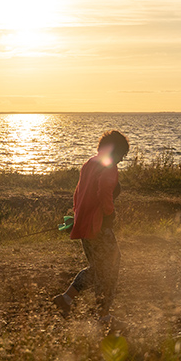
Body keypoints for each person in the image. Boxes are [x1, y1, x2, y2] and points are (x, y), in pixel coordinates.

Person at [53, 130, 129, 331]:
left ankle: (66, 299)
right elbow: (104, 190)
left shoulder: (88, 164)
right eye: (122, 155)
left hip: (85, 225)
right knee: (111, 266)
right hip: (99, 226)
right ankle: (103, 317)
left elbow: (77, 193)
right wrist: (109, 213)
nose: (122, 160)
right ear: (115, 150)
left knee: (98, 268)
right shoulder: (109, 166)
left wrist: (77, 216)